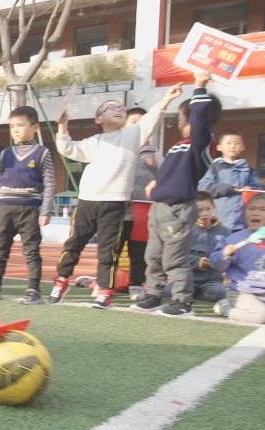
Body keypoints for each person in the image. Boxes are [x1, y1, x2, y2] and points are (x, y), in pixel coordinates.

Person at [50, 81, 183, 308]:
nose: (119, 109)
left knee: (109, 250)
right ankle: (61, 280)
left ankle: (104, 290)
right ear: (98, 119)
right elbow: (68, 148)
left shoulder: (132, 135)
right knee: (74, 243)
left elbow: (149, 120)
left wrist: (166, 99)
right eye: (111, 107)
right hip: (87, 202)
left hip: (115, 203)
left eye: (121, 107)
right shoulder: (94, 141)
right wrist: (63, 127)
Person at [134, 71, 220, 316]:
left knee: (175, 257)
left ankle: (182, 299)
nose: (178, 122)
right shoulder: (177, 146)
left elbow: (201, 124)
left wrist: (199, 88)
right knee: (154, 255)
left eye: (182, 117)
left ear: (191, 118)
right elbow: (171, 174)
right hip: (160, 206)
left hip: (178, 209)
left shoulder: (201, 144)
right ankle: (153, 292)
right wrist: (156, 184)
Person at [0, 106, 55, 304]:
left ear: (35, 127)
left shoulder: (42, 152)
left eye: (21, 125)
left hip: (29, 209)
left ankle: (33, 290)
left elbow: (49, 182)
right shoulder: (5, 153)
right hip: (4, 208)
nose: (15, 130)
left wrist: (46, 210)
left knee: (31, 250)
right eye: (12, 126)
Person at [118, 107, 158, 299]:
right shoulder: (118, 149)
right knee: (113, 247)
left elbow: (168, 175)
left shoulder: (156, 154)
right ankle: (105, 284)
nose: (139, 127)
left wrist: (157, 170)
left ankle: (136, 283)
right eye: (134, 122)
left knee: (139, 249)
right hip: (119, 206)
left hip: (143, 209)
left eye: (143, 123)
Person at [210, 194, 265, 322]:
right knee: (259, 316)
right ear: (244, 213)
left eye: (263, 210)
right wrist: (225, 254)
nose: (256, 213)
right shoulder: (235, 239)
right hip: (243, 293)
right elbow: (215, 263)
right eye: (251, 209)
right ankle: (226, 308)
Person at [198, 131, 259, 232]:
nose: (233, 146)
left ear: (243, 147)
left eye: (237, 143)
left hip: (240, 220)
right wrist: (224, 188)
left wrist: (251, 190)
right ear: (219, 147)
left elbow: (258, 190)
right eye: (228, 143)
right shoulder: (215, 168)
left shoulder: (248, 169)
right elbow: (203, 187)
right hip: (219, 218)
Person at [173, 192, 228, 303]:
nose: (204, 213)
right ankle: (189, 292)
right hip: (188, 277)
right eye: (199, 210)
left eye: (208, 209)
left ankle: (194, 294)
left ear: (214, 208)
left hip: (212, 280)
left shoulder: (225, 231)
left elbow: (227, 256)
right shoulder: (187, 229)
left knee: (219, 293)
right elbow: (178, 255)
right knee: (168, 291)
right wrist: (199, 262)